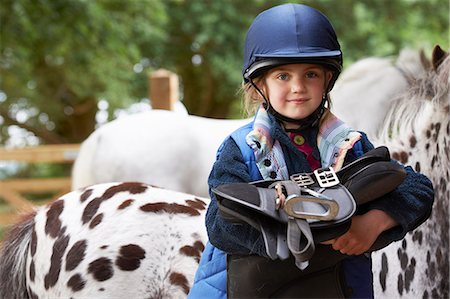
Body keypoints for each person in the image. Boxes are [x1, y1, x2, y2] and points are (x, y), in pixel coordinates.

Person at [188, 3, 434, 299]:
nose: (298, 87)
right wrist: (280, 217)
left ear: (327, 80)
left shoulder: (349, 145)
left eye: (311, 74)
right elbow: (218, 223)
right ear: (259, 84)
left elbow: (417, 187)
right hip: (255, 289)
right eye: (283, 76)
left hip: (338, 288)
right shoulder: (241, 149)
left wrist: (374, 222)